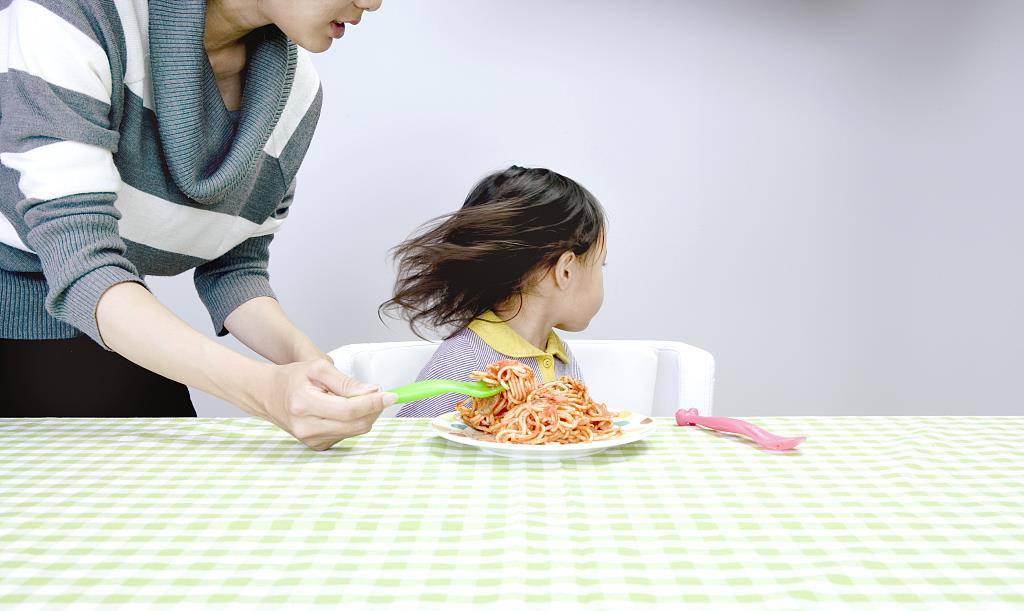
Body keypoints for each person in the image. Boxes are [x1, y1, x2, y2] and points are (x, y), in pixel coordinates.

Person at [0, 0, 395, 450]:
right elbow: (82, 264)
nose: (373, 2)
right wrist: (267, 392)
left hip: (111, 327)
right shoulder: (76, 14)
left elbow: (235, 268)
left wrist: (311, 365)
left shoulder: (297, 95)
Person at [381, 166, 608, 417]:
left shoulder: (557, 354)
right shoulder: (463, 359)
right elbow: (413, 443)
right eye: (601, 265)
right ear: (566, 270)